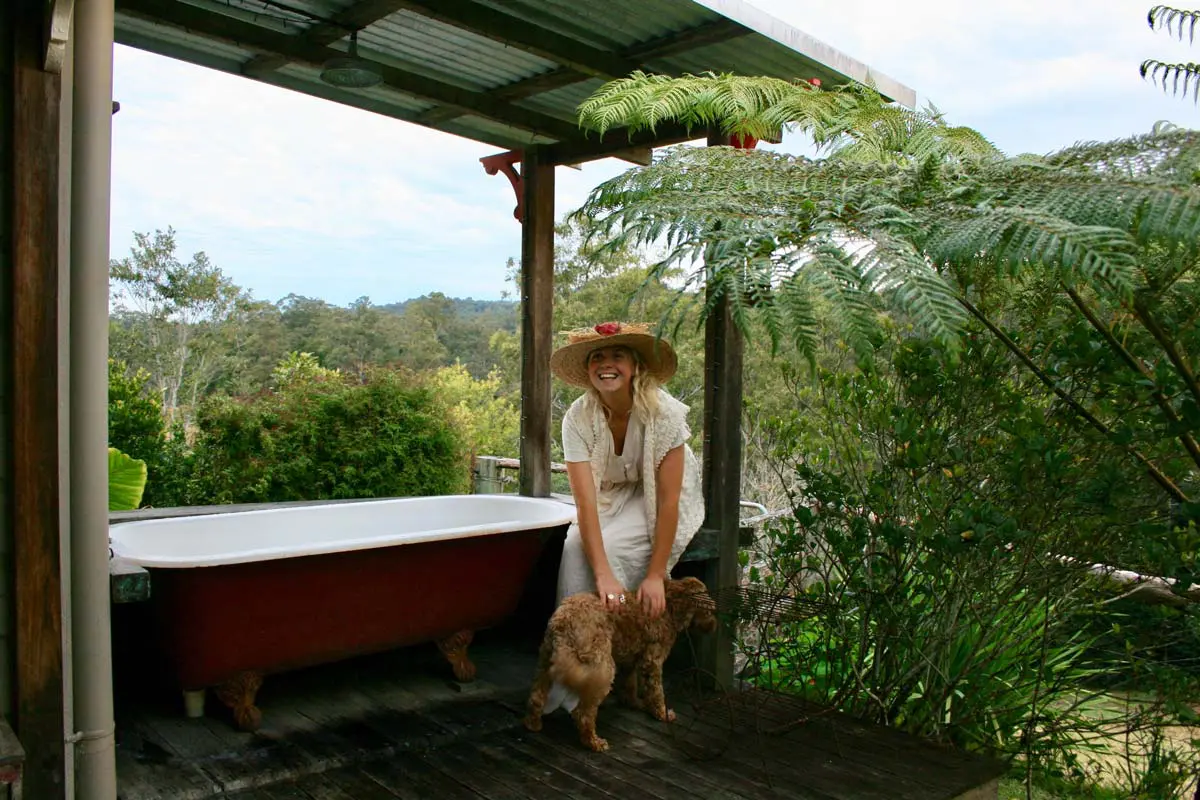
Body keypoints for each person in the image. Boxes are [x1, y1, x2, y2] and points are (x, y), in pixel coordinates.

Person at [550, 319, 705, 610]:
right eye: (597, 357)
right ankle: (573, 635)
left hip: (660, 491)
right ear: (588, 369)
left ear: (635, 366)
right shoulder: (578, 418)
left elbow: (669, 502)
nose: (606, 365)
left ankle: (619, 626)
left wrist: (656, 575)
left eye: (617, 356)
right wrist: (602, 575)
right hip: (611, 491)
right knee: (573, 547)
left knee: (616, 549)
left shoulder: (665, 414)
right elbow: (585, 503)